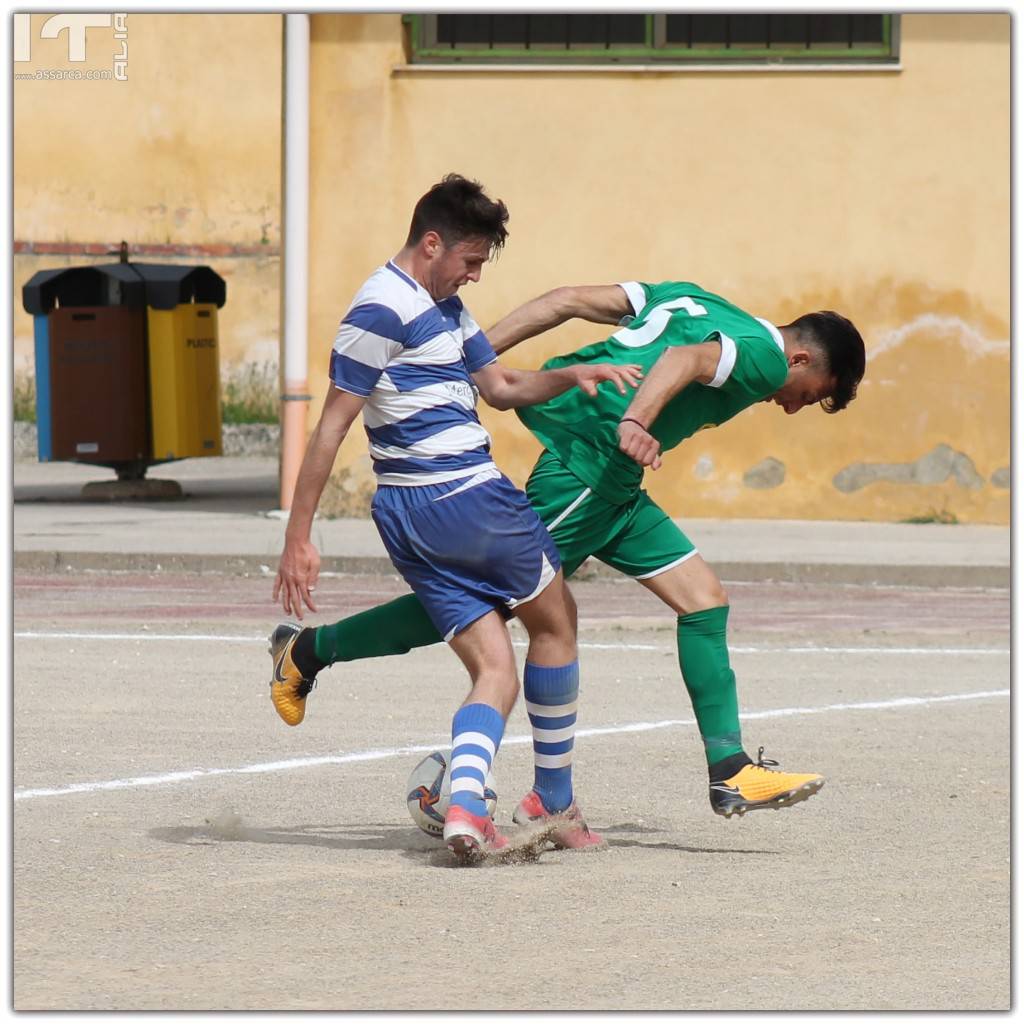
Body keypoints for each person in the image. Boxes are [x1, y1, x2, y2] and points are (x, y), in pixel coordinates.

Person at [272, 273, 866, 824]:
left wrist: (470, 360)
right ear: (802, 359)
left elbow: (565, 302)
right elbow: (682, 360)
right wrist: (635, 420)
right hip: (589, 468)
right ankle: (309, 652)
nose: (794, 406)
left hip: (618, 487)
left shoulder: (696, 299)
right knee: (486, 607)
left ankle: (729, 770)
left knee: (704, 601)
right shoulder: (764, 357)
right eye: (812, 394)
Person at [270, 174, 641, 861]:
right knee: (558, 623)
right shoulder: (381, 309)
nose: (473, 276)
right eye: (469, 261)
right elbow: (330, 429)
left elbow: (500, 388)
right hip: (466, 497)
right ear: (431, 243)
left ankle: (466, 807)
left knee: (494, 670)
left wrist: (569, 376)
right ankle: (554, 799)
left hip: (411, 514)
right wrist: (298, 536)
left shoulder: (445, 308)